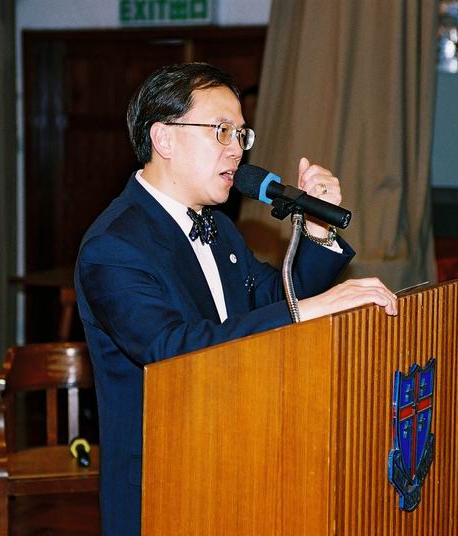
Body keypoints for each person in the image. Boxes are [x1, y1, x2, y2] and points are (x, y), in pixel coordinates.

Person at [74, 62, 397, 535]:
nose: (237, 150)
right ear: (164, 139)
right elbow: (172, 349)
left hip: (242, 461)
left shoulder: (220, 228)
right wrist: (307, 311)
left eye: (242, 135)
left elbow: (274, 299)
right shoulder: (114, 245)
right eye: (222, 131)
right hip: (166, 482)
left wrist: (317, 231)